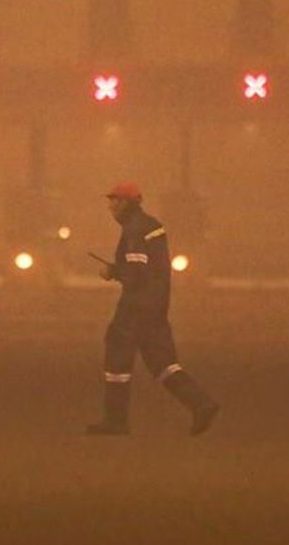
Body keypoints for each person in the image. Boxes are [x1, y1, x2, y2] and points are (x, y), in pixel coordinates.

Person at [87, 182, 219, 436]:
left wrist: (113, 271)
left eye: (114, 201)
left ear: (126, 203)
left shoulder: (135, 230)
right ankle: (202, 404)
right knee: (164, 364)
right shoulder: (150, 225)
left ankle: (115, 420)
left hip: (135, 307)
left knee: (117, 356)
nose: (110, 206)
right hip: (156, 307)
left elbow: (136, 273)